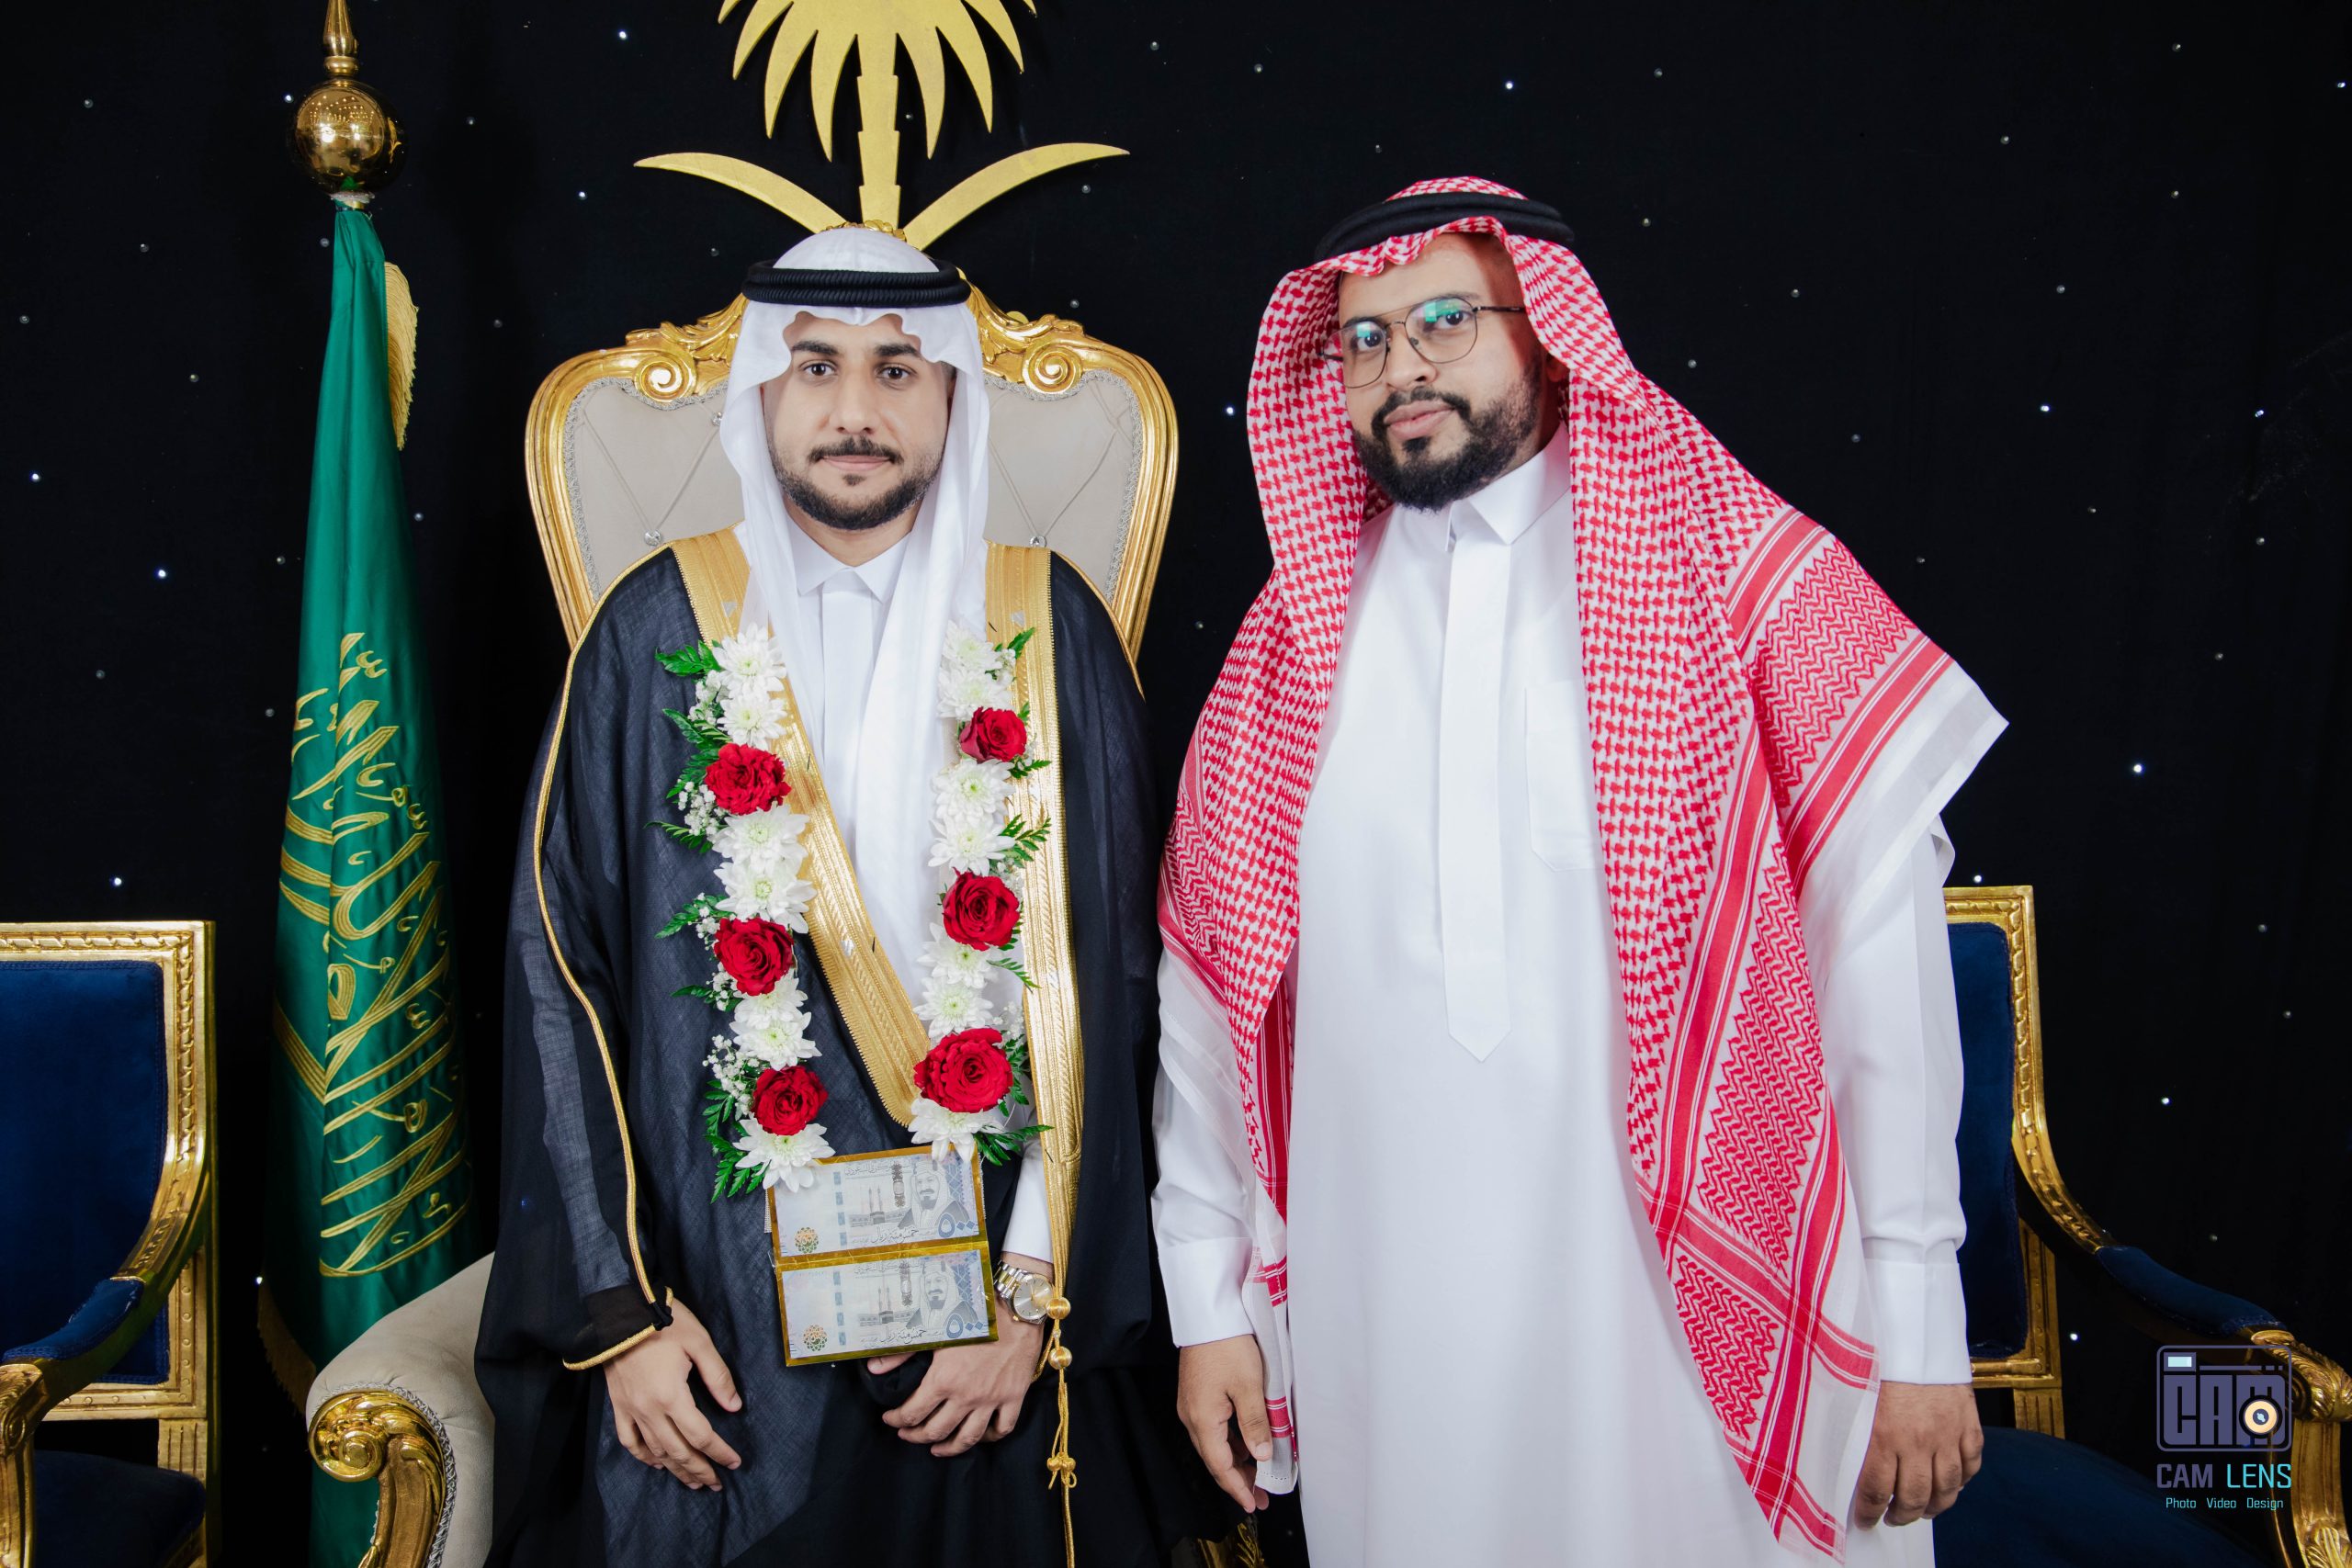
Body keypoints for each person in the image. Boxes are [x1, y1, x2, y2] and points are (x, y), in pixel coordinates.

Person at [1151, 178, 2004, 1566]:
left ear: (1547, 331)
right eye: (1362, 339)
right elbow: (1212, 1008)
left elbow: (1881, 973)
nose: (1399, 367)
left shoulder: (1741, 579)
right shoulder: (1288, 645)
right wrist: (1210, 1305)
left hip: (1683, 1310)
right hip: (1397, 1319)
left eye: (1444, 321)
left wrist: (1916, 1325)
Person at [479, 225, 1209, 1567]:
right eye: (816, 367)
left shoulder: (1047, 626)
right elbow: (559, 973)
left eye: (897, 370)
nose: (855, 410)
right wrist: (622, 1317)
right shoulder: (653, 628)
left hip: (991, 1303)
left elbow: (1118, 986)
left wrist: (1032, 1298)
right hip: (718, 1309)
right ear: (763, 390)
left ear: (952, 397)